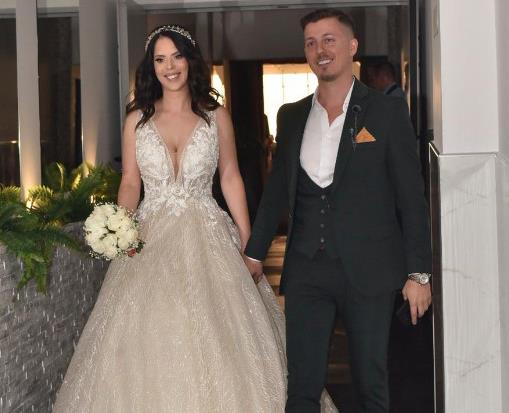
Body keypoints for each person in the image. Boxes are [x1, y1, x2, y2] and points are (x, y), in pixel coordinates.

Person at [52, 25, 336, 412]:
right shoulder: (136, 119)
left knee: (219, 332)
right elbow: (131, 182)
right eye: (160, 59)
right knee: (151, 328)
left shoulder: (215, 116)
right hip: (149, 238)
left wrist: (249, 242)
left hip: (207, 232)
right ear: (151, 67)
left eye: (177, 57)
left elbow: (231, 177)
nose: (170, 67)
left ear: (190, 60)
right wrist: (120, 227)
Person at [244, 9, 433, 413]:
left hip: (370, 270)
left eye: (329, 40)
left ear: (352, 46)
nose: (320, 50)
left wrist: (418, 272)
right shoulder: (291, 116)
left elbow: (411, 198)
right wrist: (254, 253)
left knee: (370, 387)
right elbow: (276, 192)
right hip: (307, 269)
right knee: (301, 388)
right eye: (311, 43)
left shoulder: (385, 112)